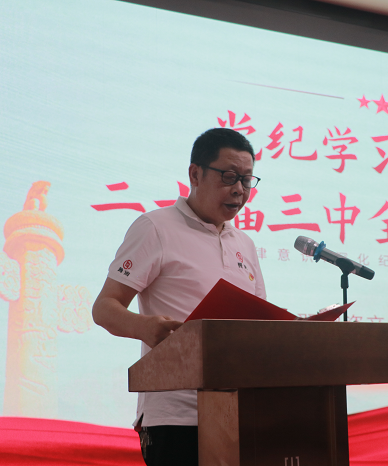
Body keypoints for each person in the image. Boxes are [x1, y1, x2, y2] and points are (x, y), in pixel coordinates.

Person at [92, 128, 266, 466]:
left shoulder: (244, 244)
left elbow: (257, 324)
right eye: (229, 176)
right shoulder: (156, 227)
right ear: (195, 174)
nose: (239, 190)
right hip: (175, 417)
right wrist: (146, 327)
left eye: (247, 180)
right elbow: (104, 307)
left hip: (236, 411)